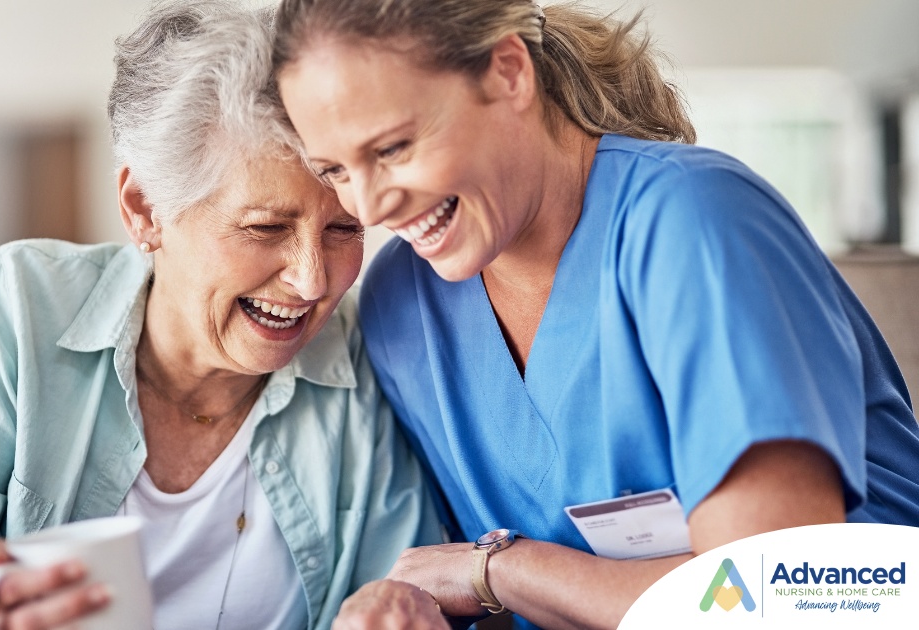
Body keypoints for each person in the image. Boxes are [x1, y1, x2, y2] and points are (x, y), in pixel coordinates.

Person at [271, 1, 919, 628]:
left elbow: (766, 605)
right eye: (335, 169)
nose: (371, 207)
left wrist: (499, 572)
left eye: (392, 148)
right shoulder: (404, 304)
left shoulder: (695, 222)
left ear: (509, 72)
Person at [0, 2, 440, 628]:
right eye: (265, 227)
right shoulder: (16, 307)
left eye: (345, 228)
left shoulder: (363, 355)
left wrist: (403, 605)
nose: (314, 280)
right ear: (145, 209)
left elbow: (409, 584)